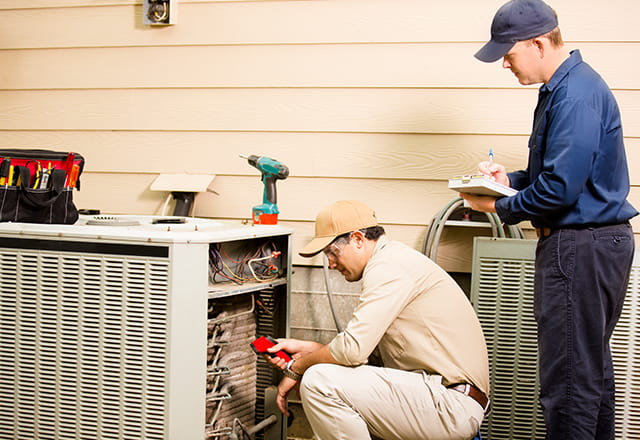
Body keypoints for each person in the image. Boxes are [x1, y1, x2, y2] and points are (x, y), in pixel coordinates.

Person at [462, 1, 638, 439]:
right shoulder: (568, 88)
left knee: (570, 385)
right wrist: (510, 180)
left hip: (579, 247)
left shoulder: (574, 95)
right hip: (595, 244)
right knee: (589, 377)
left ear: (539, 43)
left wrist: (498, 206)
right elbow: (558, 173)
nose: (504, 62)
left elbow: (560, 190)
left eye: (508, 51)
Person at [264, 200, 490, 440]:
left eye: (333, 252)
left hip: (449, 404)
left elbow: (351, 352)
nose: (330, 264)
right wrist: (315, 351)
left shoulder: (389, 266)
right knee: (322, 375)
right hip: (436, 398)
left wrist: (299, 367)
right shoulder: (392, 262)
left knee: (320, 381)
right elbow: (361, 358)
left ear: (358, 239)